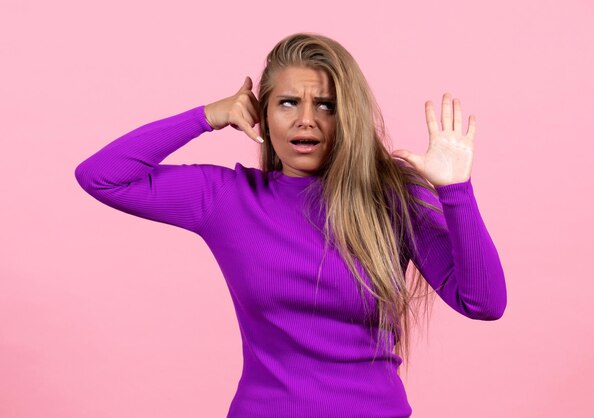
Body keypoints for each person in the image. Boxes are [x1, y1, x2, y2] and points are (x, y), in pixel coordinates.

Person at [75, 32, 506, 418]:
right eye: (288, 103)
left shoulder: (391, 196)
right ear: (261, 113)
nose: (306, 120)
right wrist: (208, 115)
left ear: (348, 117)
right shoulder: (227, 198)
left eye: (326, 105)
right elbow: (102, 176)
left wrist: (457, 192)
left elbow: (484, 302)